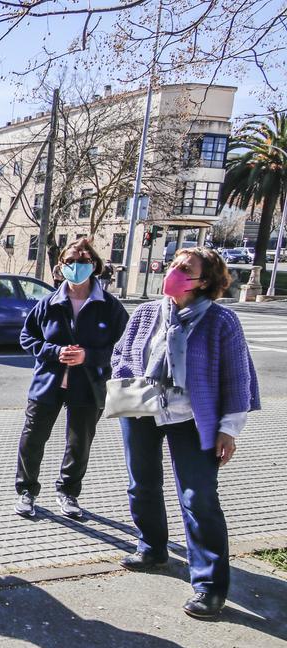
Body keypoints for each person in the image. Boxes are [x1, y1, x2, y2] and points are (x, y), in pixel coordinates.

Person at [112, 247, 259, 619]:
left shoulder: (221, 321)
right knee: (141, 484)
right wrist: (125, 382)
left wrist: (229, 429)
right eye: (174, 264)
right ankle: (152, 548)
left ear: (204, 281)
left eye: (185, 268)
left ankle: (209, 586)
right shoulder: (148, 311)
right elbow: (122, 353)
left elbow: (236, 377)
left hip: (194, 419)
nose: (173, 272)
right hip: (142, 409)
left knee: (199, 498)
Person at [14, 238, 128, 519]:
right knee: (32, 439)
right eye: (71, 261)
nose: (77, 266)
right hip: (48, 383)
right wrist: (54, 351)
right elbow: (27, 337)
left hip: (88, 386)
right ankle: (27, 491)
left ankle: (69, 492)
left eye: (84, 261)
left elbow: (124, 347)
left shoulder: (109, 306)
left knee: (79, 443)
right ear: (60, 266)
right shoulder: (48, 303)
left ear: (95, 266)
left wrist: (88, 356)